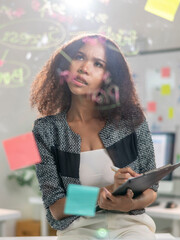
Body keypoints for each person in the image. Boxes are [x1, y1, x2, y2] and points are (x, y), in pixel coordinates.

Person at [30, 34, 158, 240]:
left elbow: (151, 188)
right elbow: (56, 208)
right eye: (79, 57)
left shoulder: (131, 120)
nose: (84, 68)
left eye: (98, 64)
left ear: (108, 77)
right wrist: (103, 193)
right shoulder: (46, 130)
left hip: (130, 226)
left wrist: (131, 203)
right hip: (78, 230)